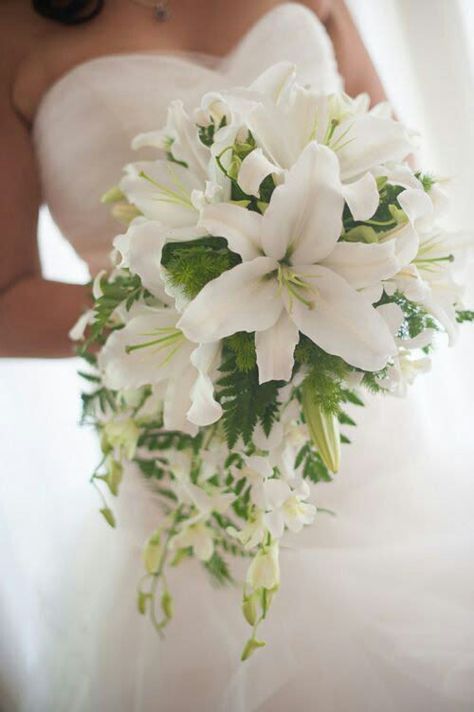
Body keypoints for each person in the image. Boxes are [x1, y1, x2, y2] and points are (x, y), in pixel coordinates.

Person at [1, 2, 473, 710]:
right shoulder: (13, 26)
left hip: (359, 447)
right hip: (188, 474)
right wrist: (192, 306)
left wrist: (334, 263)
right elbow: (5, 302)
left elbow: (406, 190)